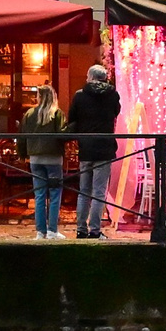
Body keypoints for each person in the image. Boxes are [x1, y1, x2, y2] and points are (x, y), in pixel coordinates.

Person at [67, 63, 121, 239]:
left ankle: (81, 229)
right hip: (104, 148)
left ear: (89, 77)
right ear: (105, 78)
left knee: (84, 191)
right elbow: (116, 112)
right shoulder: (112, 95)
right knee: (99, 192)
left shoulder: (80, 96)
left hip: (86, 147)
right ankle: (95, 230)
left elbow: (72, 118)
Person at [20, 83, 68, 240]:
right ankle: (52, 230)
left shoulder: (29, 114)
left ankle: (40, 232)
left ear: (40, 97)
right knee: (55, 195)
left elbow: (22, 135)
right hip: (54, 158)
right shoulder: (57, 114)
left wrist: (22, 154)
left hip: (35, 158)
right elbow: (63, 134)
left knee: (39, 195)